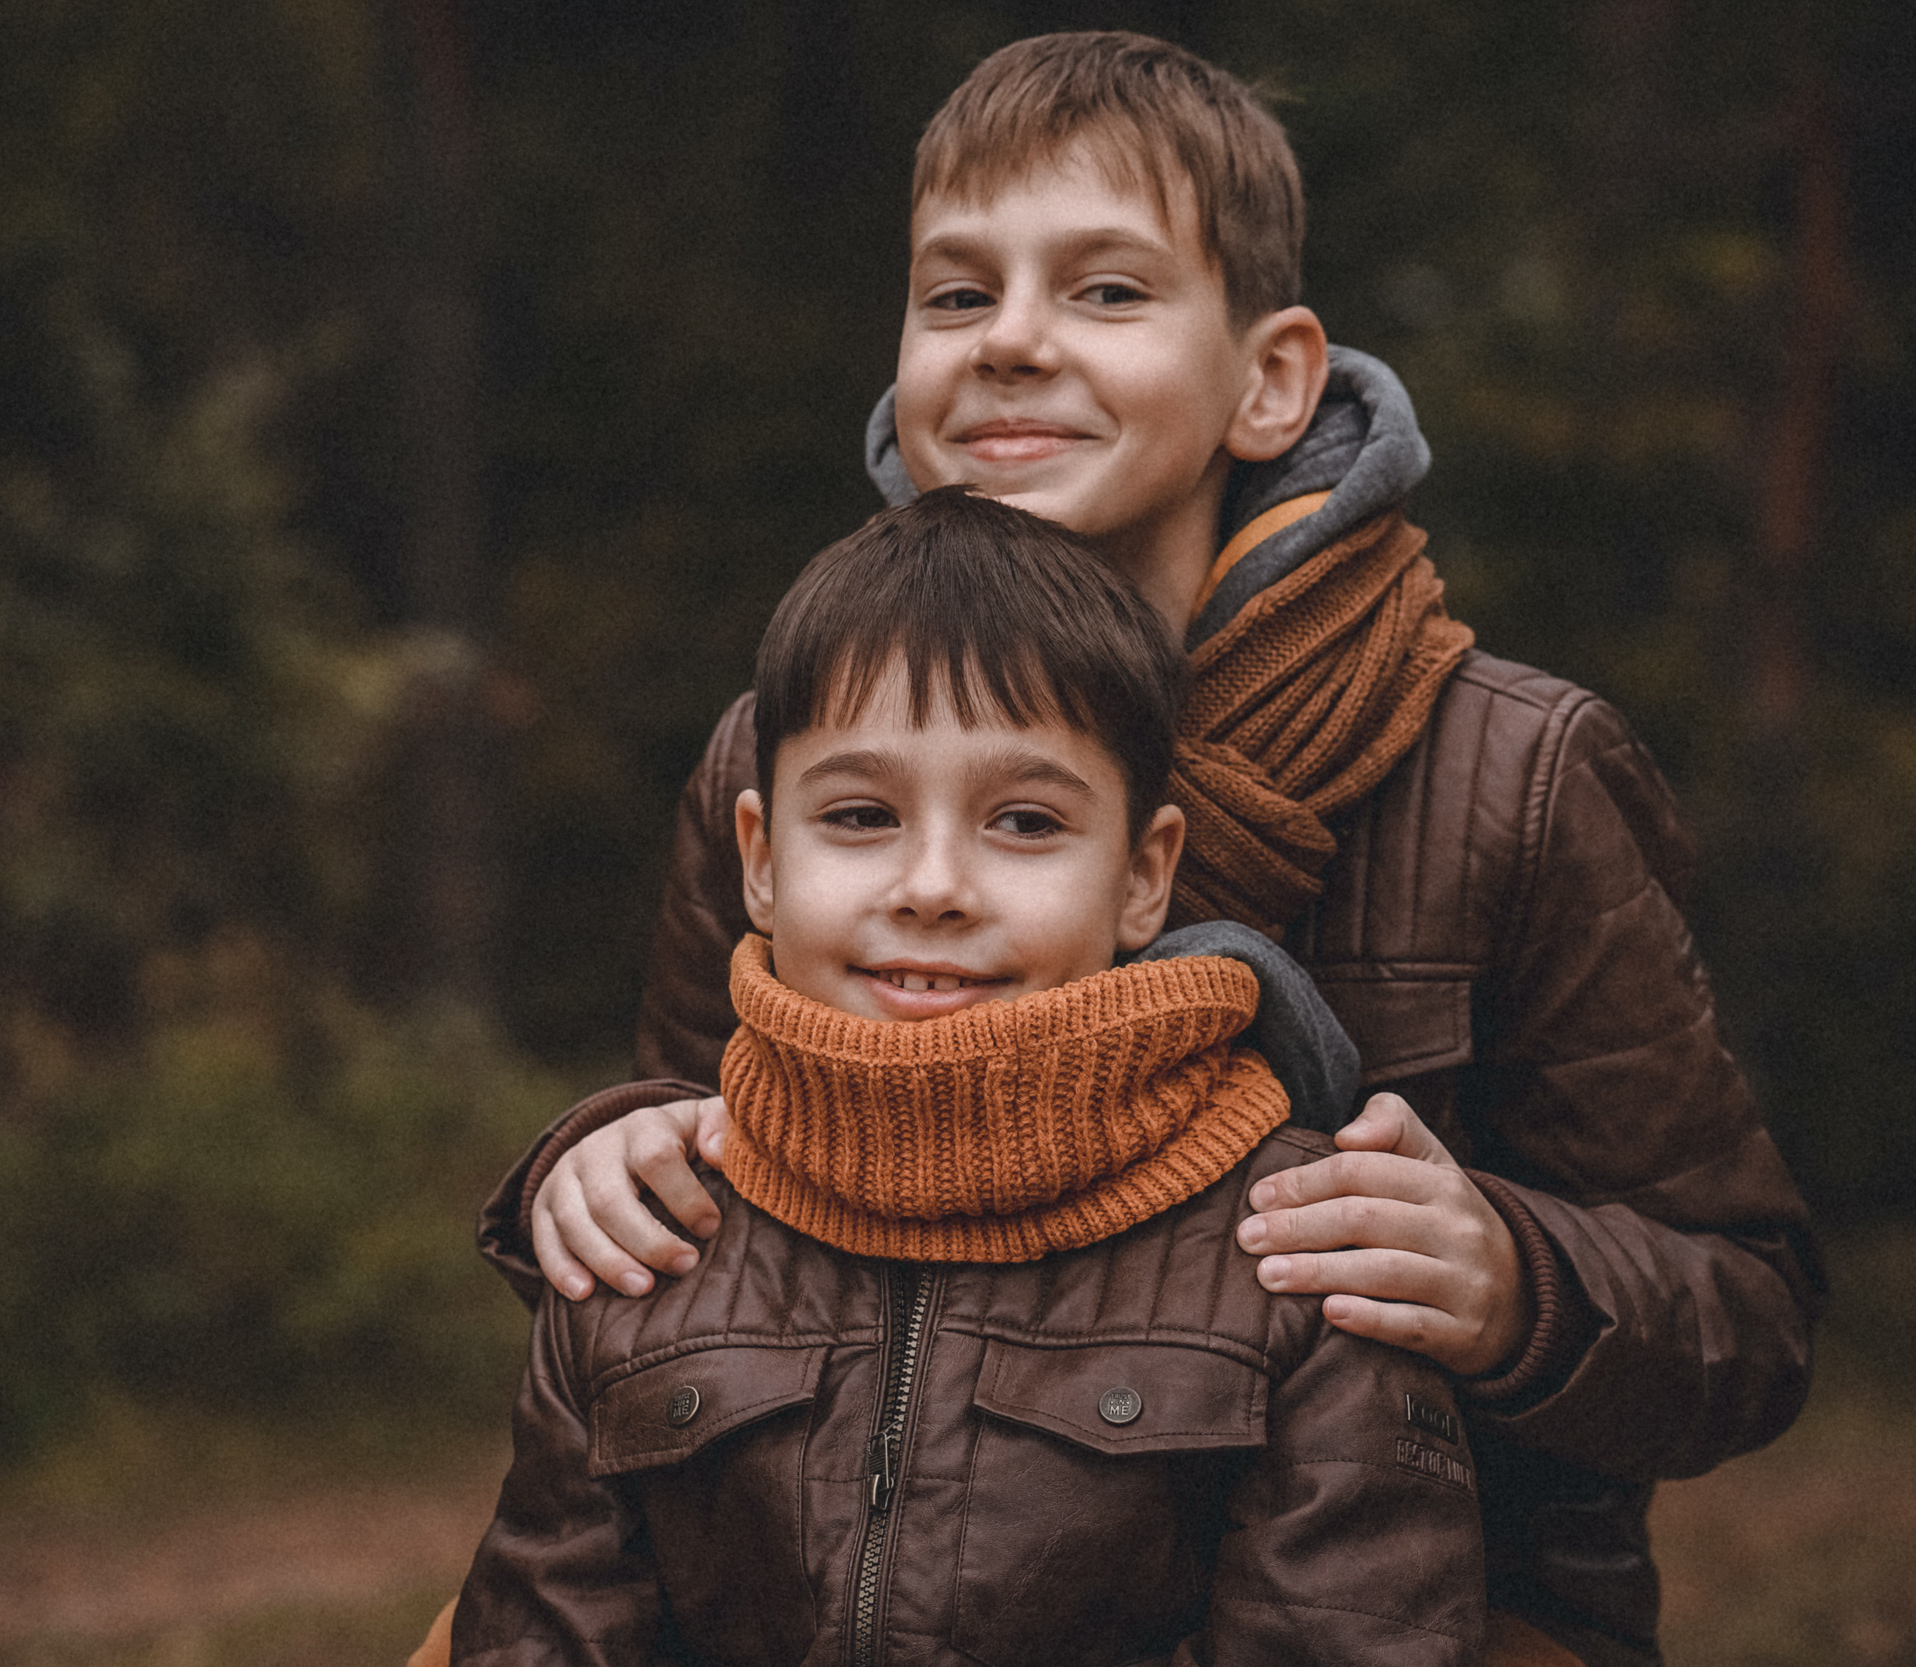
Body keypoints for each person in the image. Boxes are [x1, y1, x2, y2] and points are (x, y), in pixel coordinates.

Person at [477, 31, 1821, 1667]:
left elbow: (1750, 1312)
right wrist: (608, 1151)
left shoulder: (1507, 770)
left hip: (1436, 1608)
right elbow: (736, 1181)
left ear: (1272, 379)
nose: (1015, 344)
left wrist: (1515, 1276)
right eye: (958, 296)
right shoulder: (787, 747)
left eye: (1105, 293)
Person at [454, 489, 1484, 1667]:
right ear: (760, 859)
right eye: (858, 813)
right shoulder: (649, 1238)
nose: (932, 883)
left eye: (1026, 822)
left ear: (1145, 877)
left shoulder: (1303, 1248)